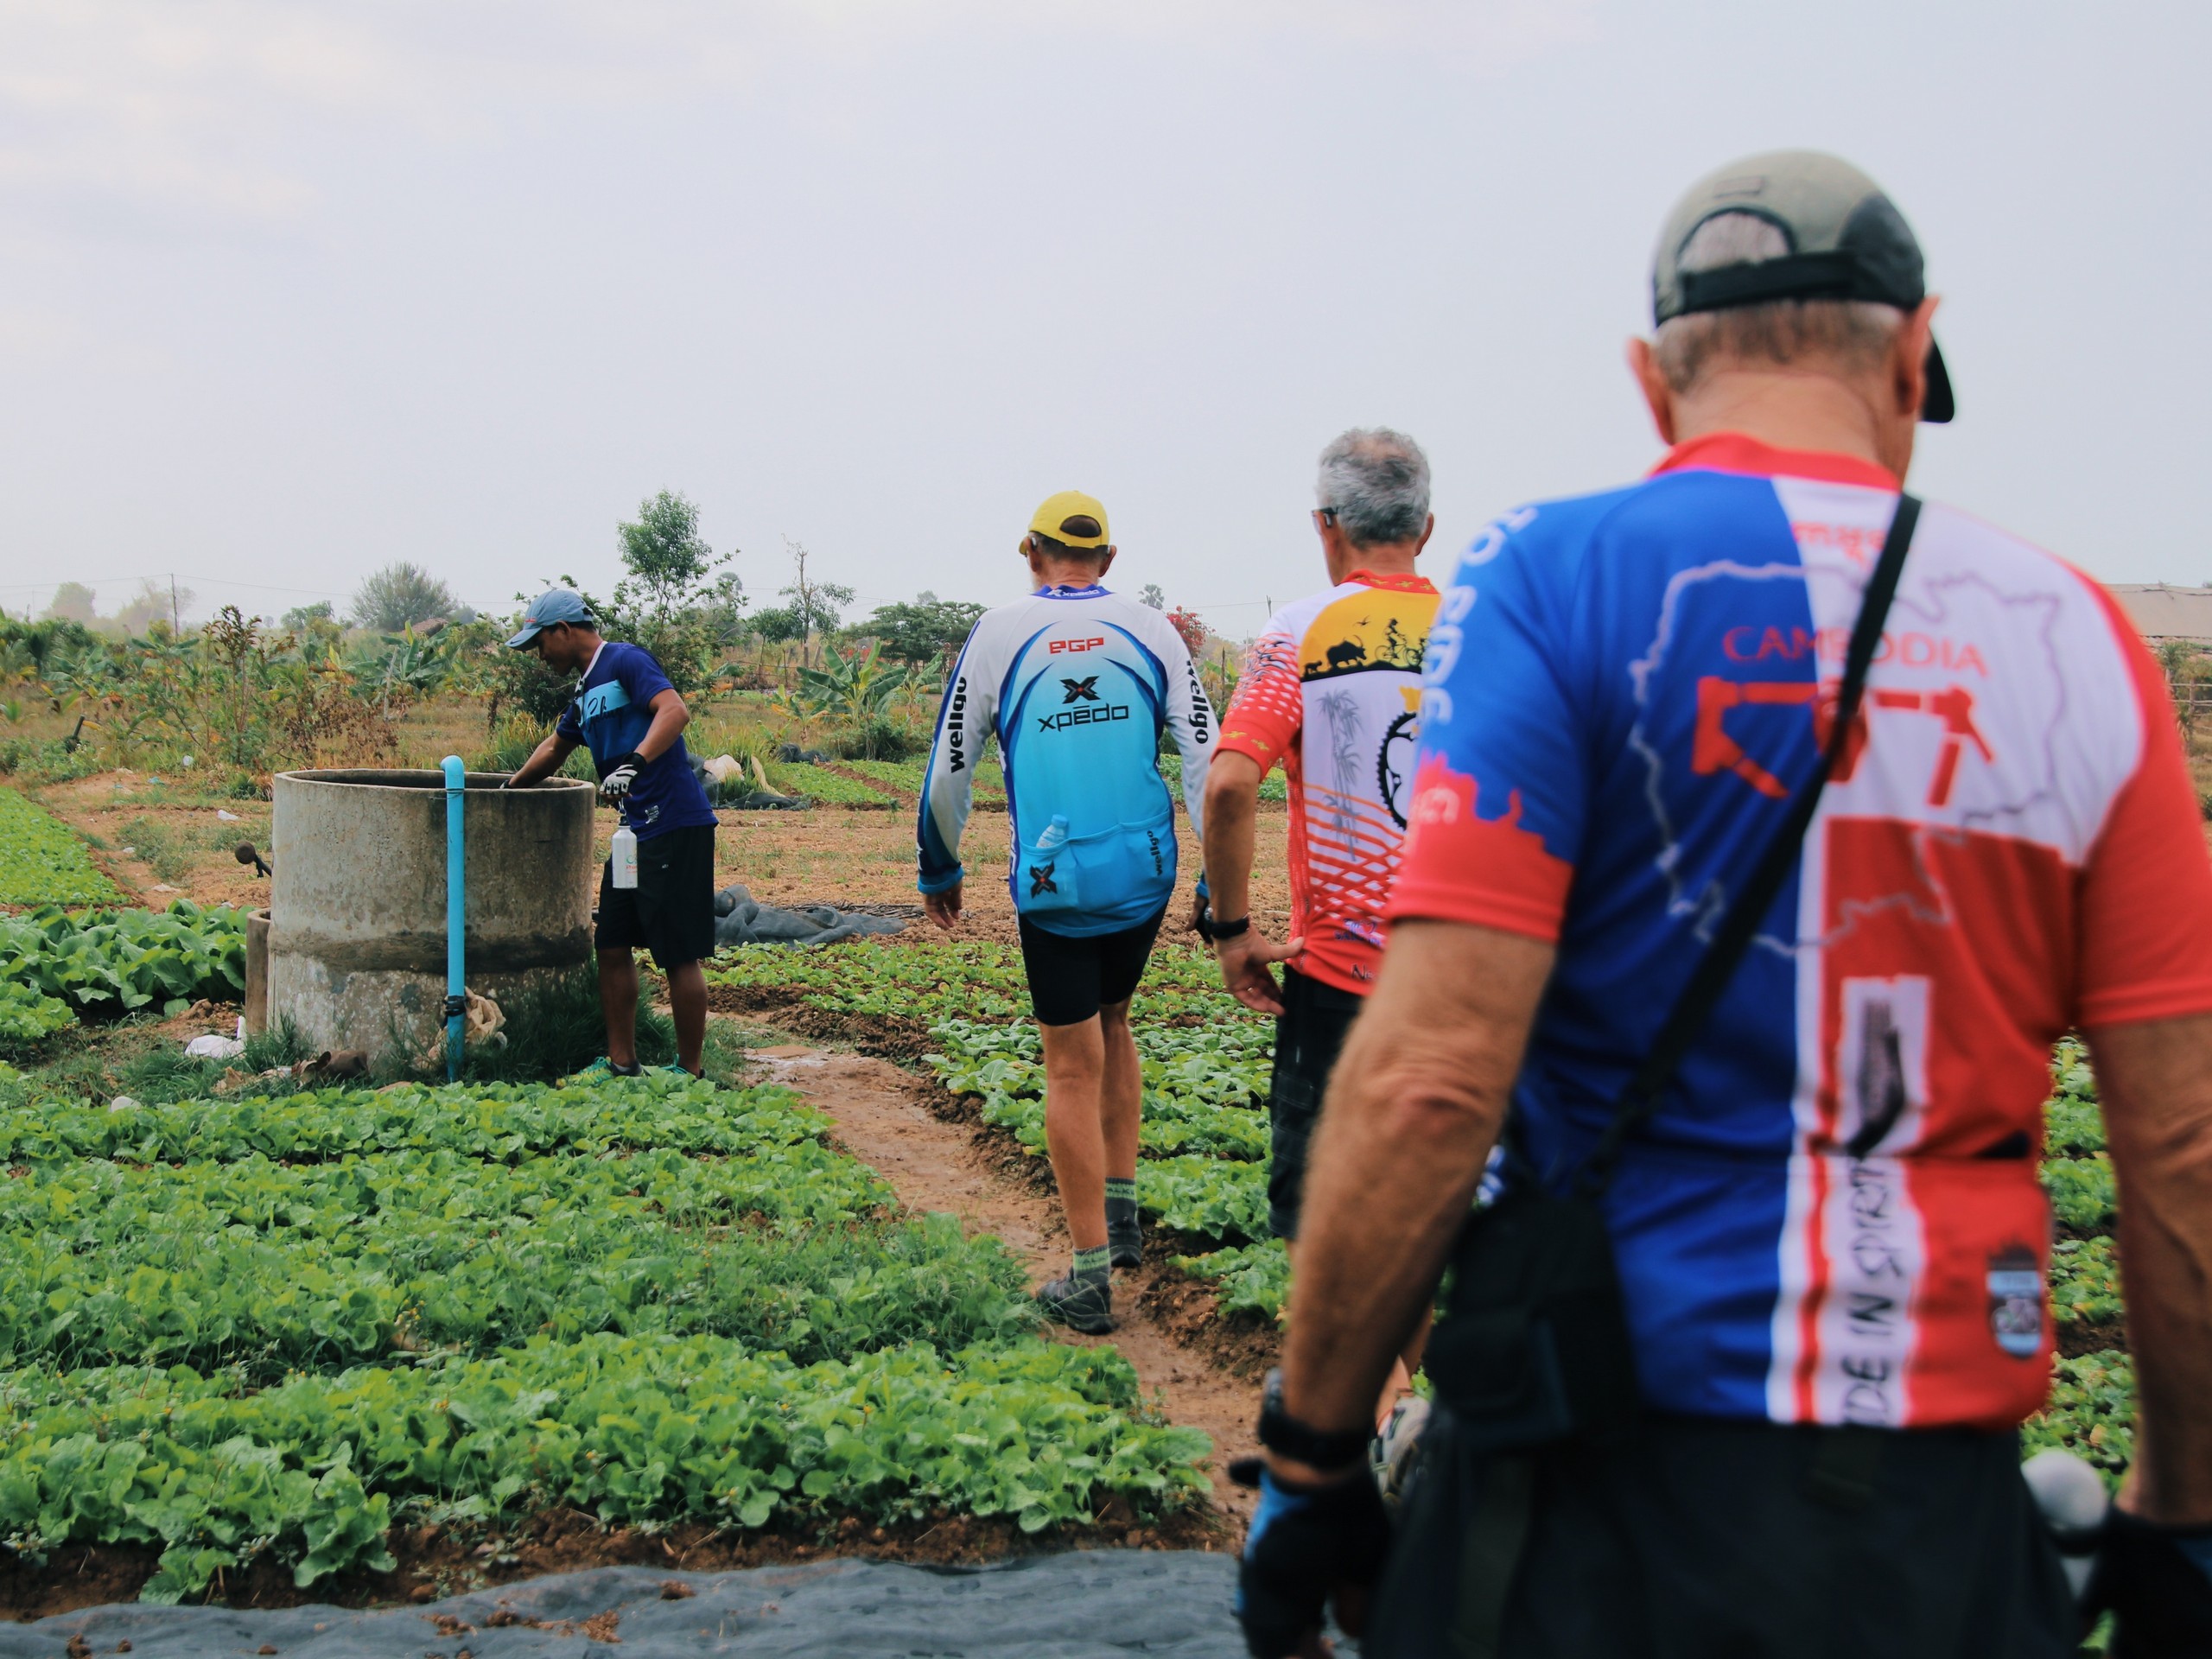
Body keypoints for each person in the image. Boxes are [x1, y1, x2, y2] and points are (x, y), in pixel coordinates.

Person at [1237, 149, 2212, 1658]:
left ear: (1652, 379)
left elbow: (1431, 1080)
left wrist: (1312, 1463)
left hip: (1585, 1508)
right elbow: (2182, 1139)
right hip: (1932, 1529)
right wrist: (2179, 1516)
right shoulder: (2079, 637)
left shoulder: (1551, 579)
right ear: (1910, 351)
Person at [918, 491, 1217, 1334]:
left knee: (1068, 1064)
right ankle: (1120, 1218)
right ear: (1108, 561)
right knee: (1115, 1023)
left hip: (1054, 883)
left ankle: (1089, 1276)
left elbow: (950, 764)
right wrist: (1216, 882)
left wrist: (937, 864)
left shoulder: (999, 631)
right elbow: (1207, 756)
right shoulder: (1154, 631)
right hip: (1145, 872)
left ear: (1029, 551)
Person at [1201, 427, 1439, 1477]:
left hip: (1342, 976)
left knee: (1321, 1208)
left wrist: (1230, 928)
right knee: (1435, 1206)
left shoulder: (1298, 632)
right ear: (1426, 528)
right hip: (1467, 976)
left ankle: (1386, 1419)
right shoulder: (1487, 626)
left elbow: (1227, 782)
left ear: (1324, 528)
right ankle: (1417, 1420)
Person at [504, 588, 720, 1078]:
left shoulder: (624, 660)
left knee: (676, 950)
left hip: (673, 823)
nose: (539, 655)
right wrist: (507, 788)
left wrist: (634, 764)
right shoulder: (584, 692)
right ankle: (623, 1062)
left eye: (540, 643)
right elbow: (555, 748)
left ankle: (690, 1071)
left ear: (563, 630)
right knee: (614, 942)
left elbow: (674, 711)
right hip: (633, 833)